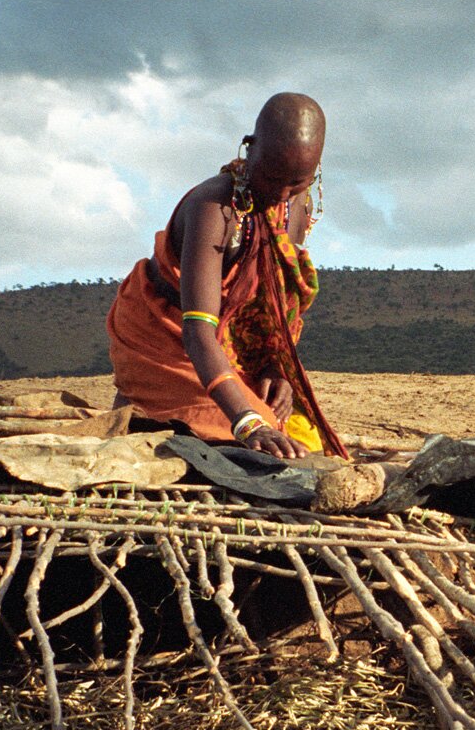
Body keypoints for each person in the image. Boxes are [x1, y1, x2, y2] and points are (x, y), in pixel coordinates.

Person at [106, 92, 346, 460]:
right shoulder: (214, 209)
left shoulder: (295, 206)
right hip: (165, 339)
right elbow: (198, 329)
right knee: (249, 434)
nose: (281, 193)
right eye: (272, 177)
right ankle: (145, 402)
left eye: (297, 183)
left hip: (224, 346)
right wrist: (249, 423)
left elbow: (267, 310)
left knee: (300, 436)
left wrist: (270, 368)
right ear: (249, 148)